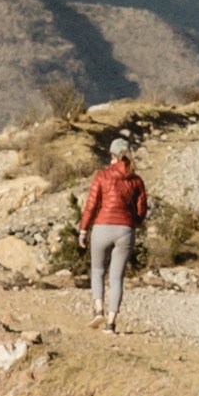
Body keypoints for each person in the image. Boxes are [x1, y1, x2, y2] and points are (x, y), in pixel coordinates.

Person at [77, 138, 149, 326]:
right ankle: (111, 323)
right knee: (117, 277)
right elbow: (142, 208)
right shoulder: (136, 180)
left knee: (98, 270)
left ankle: (98, 309)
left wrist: (83, 230)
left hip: (102, 227)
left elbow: (91, 205)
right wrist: (134, 223)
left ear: (112, 156)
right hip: (126, 230)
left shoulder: (102, 176)